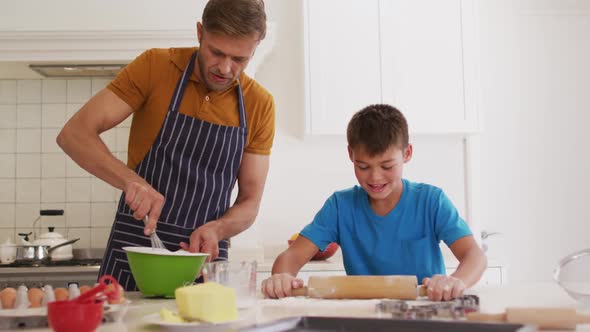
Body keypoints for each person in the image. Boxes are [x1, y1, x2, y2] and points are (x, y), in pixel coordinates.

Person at [56, 0, 274, 290]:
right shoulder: (155, 67)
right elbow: (74, 134)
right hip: (131, 261)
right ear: (199, 32)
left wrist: (217, 228)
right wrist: (132, 182)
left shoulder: (259, 104)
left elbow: (250, 201)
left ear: (256, 47)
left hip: (203, 265)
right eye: (216, 52)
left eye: (239, 59)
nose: (225, 67)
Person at [261, 104, 486, 301]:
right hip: (365, 317)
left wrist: (456, 281)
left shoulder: (431, 201)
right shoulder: (340, 206)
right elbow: (291, 257)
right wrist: (282, 277)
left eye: (387, 166)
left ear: (407, 153)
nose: (375, 178)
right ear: (350, 154)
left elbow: (474, 256)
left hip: (423, 313)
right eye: (363, 166)